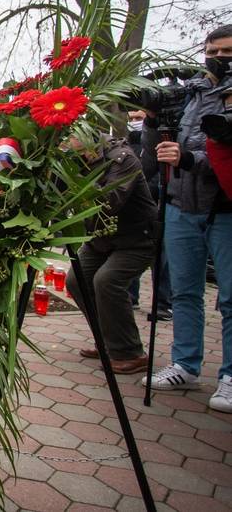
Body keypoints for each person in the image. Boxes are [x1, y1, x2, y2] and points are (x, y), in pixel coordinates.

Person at [140, 24, 232, 413]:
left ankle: (229, 376)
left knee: (229, 297)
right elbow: (157, 151)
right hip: (180, 204)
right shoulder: (192, 92)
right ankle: (185, 363)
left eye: (226, 51)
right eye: (212, 50)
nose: (218, 57)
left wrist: (191, 159)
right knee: (184, 292)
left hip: (223, 207)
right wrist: (150, 122)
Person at [65, 134, 157, 374]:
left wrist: (71, 180)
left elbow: (108, 201)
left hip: (136, 239)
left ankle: (130, 352)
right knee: (76, 280)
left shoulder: (122, 159)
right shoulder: (76, 160)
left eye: (68, 136)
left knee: (107, 281)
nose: (63, 142)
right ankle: (107, 340)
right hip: (101, 239)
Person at [126, 109, 173, 319]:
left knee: (159, 258)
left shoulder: (155, 141)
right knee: (129, 250)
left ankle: (162, 302)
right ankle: (130, 297)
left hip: (154, 202)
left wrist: (145, 191)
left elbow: (153, 171)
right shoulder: (128, 142)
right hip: (132, 207)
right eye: (132, 119)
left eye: (139, 119)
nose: (134, 122)